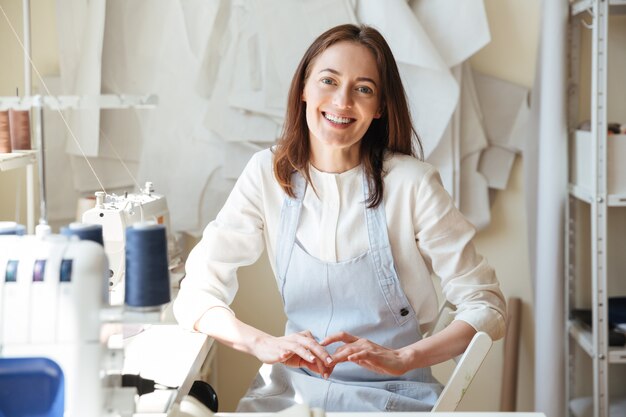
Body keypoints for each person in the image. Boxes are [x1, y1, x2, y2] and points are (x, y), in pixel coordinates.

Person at [174, 23, 506, 412]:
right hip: (291, 392)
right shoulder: (266, 173)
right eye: (328, 81)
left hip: (395, 396)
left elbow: (487, 305)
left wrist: (405, 358)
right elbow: (195, 294)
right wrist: (263, 344)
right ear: (303, 88)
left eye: (363, 88)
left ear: (380, 107)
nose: (343, 101)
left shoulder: (413, 184)